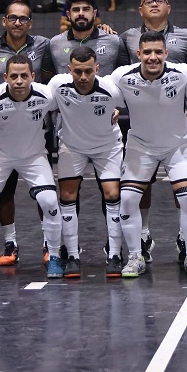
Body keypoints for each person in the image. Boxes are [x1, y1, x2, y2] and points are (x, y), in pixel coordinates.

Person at [110, 32, 187, 277]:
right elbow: (100, 90)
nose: (153, 57)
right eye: (147, 52)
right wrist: (110, 108)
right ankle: (134, 257)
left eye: (158, 52)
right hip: (141, 146)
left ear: (166, 53)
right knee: (128, 200)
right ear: (138, 54)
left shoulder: (182, 72)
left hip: (178, 147)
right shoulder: (122, 76)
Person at [0, 54, 62, 281]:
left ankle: (54, 256)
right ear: (6, 77)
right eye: (14, 76)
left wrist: (111, 111)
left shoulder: (46, 94)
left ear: (33, 76)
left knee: (49, 201)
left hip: (34, 156)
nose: (19, 81)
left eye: (24, 76)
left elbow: (73, 103)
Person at [0, 1, 55, 266]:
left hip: (34, 129)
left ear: (30, 23)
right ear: (4, 20)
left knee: (43, 193)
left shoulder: (44, 45)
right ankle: (10, 243)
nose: (17, 23)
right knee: (5, 193)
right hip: (2, 130)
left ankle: (49, 243)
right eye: (12, 18)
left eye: (23, 19)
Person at [48, 46, 125, 278]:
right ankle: (72, 255)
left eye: (88, 71)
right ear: (69, 69)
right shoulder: (57, 85)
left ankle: (114, 253)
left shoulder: (112, 89)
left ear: (97, 69)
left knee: (112, 194)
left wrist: (117, 110)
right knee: (67, 196)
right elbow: (39, 101)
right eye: (78, 71)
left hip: (107, 146)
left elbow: (137, 102)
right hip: (72, 146)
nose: (83, 77)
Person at [117, 0, 187, 68]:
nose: (154, 4)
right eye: (149, 2)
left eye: (160, 1)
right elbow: (122, 71)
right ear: (140, 11)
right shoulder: (127, 37)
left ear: (168, 9)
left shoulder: (186, 36)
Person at [50, 0, 121, 76]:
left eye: (86, 9)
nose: (81, 13)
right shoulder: (54, 43)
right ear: (68, 14)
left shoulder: (114, 41)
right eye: (76, 10)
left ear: (94, 13)